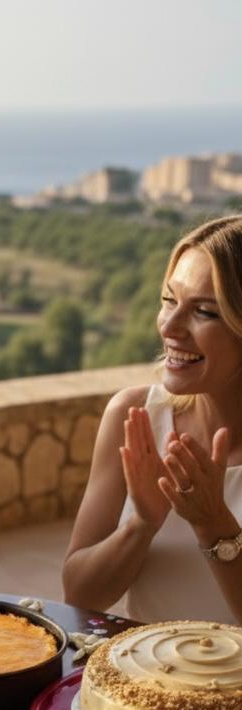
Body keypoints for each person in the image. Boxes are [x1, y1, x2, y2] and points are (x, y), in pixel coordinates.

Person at [64, 215, 242, 624]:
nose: (170, 326)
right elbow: (79, 594)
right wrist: (141, 525)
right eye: (169, 300)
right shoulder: (133, 416)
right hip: (144, 685)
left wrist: (215, 525)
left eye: (205, 312)